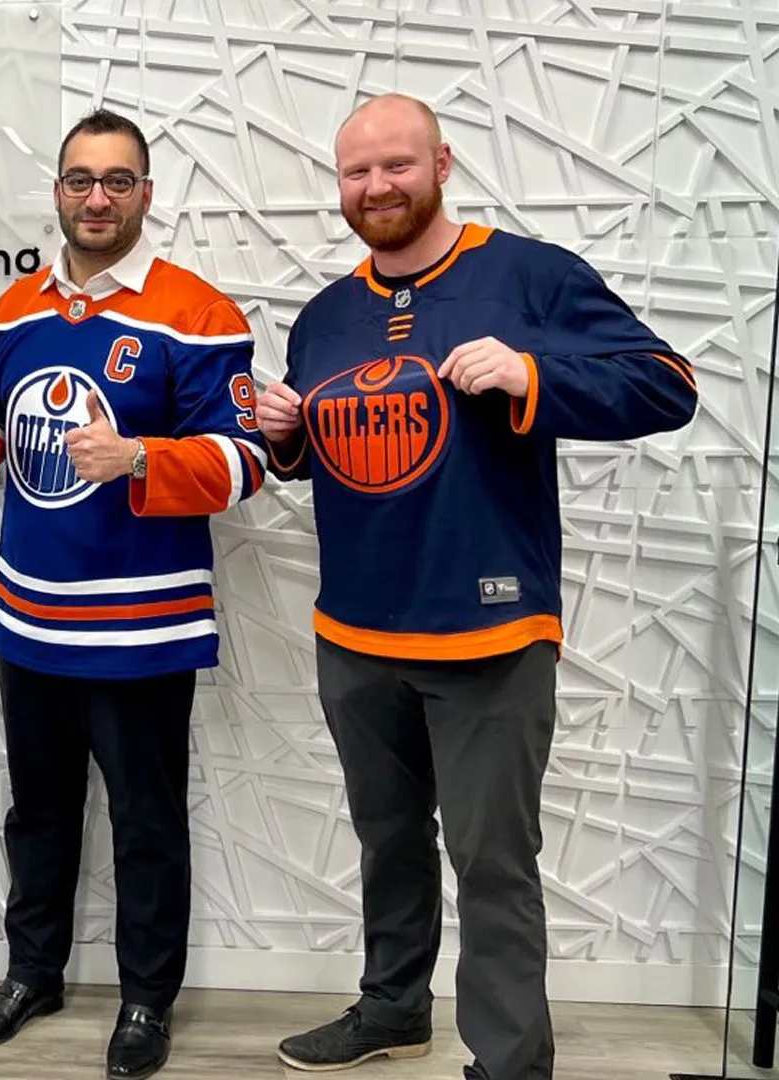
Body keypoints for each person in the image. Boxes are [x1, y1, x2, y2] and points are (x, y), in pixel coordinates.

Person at [259, 94, 698, 1080]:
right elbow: (339, 457)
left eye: (396, 166)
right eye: (355, 172)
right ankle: (392, 1008)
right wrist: (286, 442)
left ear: (443, 163)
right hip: (356, 633)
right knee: (386, 840)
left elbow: (668, 382)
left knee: (495, 866)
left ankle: (508, 1065)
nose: (375, 187)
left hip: (490, 637)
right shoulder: (326, 317)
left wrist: (531, 369)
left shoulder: (529, 278)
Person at [0, 107, 267, 1080]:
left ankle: (143, 1000)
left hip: (144, 624)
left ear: (145, 196)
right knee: (36, 813)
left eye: (117, 180)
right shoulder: (9, 315)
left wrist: (142, 456)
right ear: (56, 191)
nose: (97, 197)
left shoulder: (200, 314)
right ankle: (32, 973)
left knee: (146, 821)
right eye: (81, 179)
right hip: (29, 612)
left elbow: (248, 460)